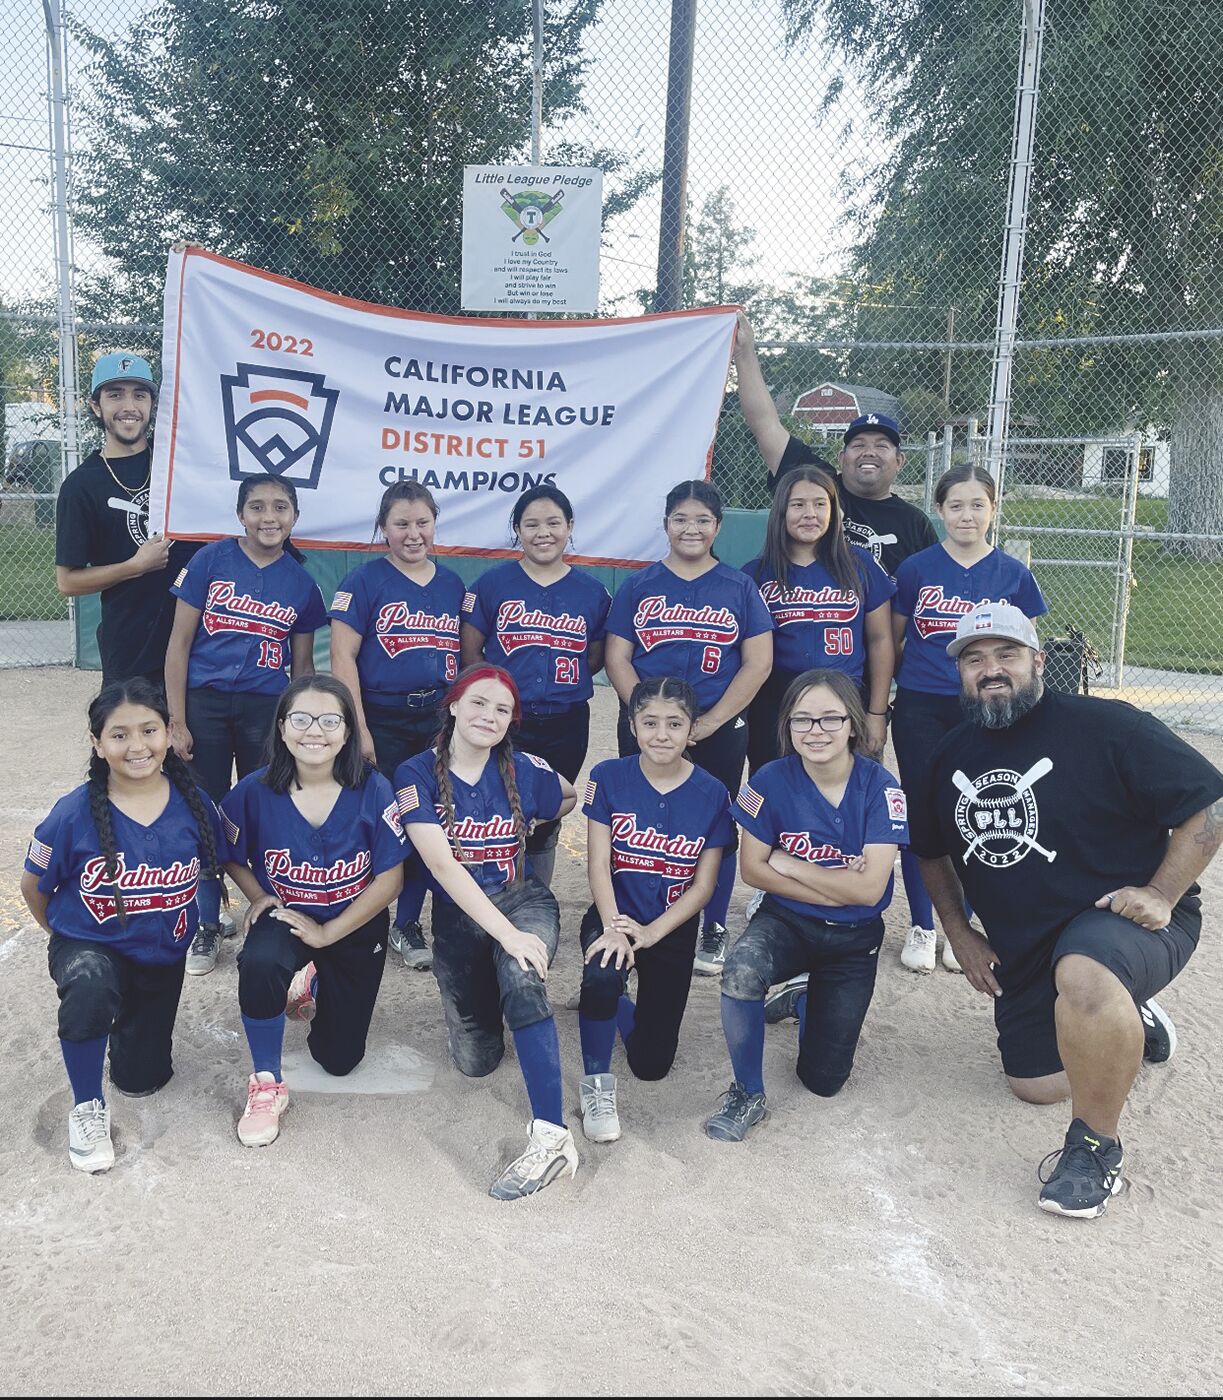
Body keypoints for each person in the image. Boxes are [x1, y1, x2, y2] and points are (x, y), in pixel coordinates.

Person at [910, 603, 1223, 1218]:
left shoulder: (1107, 727)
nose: (990, 669)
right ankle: (1127, 1014)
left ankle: (1094, 1150)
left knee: (1084, 971)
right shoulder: (948, 756)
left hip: (1124, 921)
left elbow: (1209, 805)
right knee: (1035, 1086)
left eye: (1006, 655)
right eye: (974, 659)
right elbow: (929, 853)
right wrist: (959, 934)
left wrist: (1161, 891)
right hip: (1028, 947)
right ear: (960, 675)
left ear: (1039, 662)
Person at [19, 680, 225, 1174]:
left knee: (141, 1079)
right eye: (119, 735)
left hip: (162, 953)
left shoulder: (194, 803)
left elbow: (229, 859)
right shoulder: (73, 813)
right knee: (90, 984)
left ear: (169, 733)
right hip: (92, 944)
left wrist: (261, 898)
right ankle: (86, 1104)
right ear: (97, 744)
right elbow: (34, 887)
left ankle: (118, 1032)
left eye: (149, 730)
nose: (137, 746)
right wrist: (67, 941)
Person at [393, 665, 578, 1200]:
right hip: (458, 915)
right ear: (453, 706)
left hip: (520, 899)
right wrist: (502, 935)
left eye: (501, 709)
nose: (488, 716)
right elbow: (445, 870)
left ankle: (551, 1137)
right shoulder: (415, 773)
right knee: (477, 1063)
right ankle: (506, 996)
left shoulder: (523, 768)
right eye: (478, 703)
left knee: (523, 976)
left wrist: (535, 830)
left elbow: (568, 795)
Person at [705, 669, 907, 1141]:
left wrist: (791, 865)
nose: (815, 731)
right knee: (740, 971)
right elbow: (754, 871)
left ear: (853, 725)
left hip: (854, 941)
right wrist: (837, 884)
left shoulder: (882, 788)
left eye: (829, 719)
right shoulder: (769, 779)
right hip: (788, 922)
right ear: (787, 726)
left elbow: (869, 893)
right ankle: (747, 1092)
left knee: (822, 1082)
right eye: (802, 720)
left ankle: (800, 999)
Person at [220, 675, 405, 1149]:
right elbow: (229, 851)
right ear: (281, 728)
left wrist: (328, 935)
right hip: (289, 918)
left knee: (339, 1059)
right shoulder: (254, 791)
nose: (314, 731)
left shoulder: (374, 788)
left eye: (330, 720)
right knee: (261, 962)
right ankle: (266, 1082)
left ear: (348, 732)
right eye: (300, 719)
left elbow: (390, 880)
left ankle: (313, 978)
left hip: (354, 922)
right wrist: (258, 894)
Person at [604, 479, 773, 976]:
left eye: (702, 520)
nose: (691, 528)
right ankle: (630, 915)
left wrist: (709, 722)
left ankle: (712, 924)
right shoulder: (640, 584)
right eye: (680, 518)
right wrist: (648, 720)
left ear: (718, 526)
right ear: (665, 525)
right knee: (638, 822)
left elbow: (757, 663)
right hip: (647, 725)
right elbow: (617, 656)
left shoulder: (739, 586)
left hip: (717, 725)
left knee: (713, 826)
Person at [164, 473, 327, 976]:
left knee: (263, 810)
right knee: (204, 809)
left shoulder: (301, 581)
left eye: (280, 507)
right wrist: (176, 718)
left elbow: (302, 669)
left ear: (295, 517)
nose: (269, 517)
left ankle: (268, 912)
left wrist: (300, 726)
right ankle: (207, 923)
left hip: (265, 708)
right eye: (257, 507)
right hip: (205, 702)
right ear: (240, 515)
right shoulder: (211, 559)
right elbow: (179, 644)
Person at [891, 465, 1047, 974]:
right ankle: (923, 922)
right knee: (925, 811)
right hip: (921, 703)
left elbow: (1028, 650)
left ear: (993, 509)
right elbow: (892, 639)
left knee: (982, 806)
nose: (966, 514)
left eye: (978, 504)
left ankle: (972, 916)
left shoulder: (1012, 573)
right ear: (939, 511)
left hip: (985, 704)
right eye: (956, 505)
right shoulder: (916, 568)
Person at [577, 677, 733, 1143]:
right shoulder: (607, 776)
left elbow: (704, 886)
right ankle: (596, 1084)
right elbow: (599, 863)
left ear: (692, 730)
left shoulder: (713, 793)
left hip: (672, 927)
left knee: (651, 1066)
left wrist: (652, 933)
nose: (661, 734)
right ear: (632, 725)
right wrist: (614, 929)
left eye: (674, 724)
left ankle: (616, 1006)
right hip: (614, 915)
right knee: (604, 971)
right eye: (649, 723)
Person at [329, 481, 464, 972]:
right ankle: (359, 916)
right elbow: (342, 658)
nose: (413, 533)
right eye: (401, 523)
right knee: (377, 818)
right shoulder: (363, 582)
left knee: (426, 820)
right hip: (381, 715)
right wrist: (358, 728)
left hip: (435, 717)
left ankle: (407, 922)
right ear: (383, 528)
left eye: (422, 522)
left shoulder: (451, 584)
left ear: (434, 523)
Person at [460, 484, 611, 888]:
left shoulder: (592, 592)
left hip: (566, 721)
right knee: (495, 809)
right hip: (509, 720)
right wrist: (494, 701)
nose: (543, 532)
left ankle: (534, 900)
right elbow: (471, 652)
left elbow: (593, 657)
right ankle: (489, 893)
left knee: (546, 810)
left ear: (570, 527)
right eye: (531, 524)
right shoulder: (492, 585)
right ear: (517, 530)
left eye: (553, 523)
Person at [732, 315, 938, 578]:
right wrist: (744, 353)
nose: (869, 452)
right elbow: (765, 425)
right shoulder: (818, 485)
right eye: (858, 444)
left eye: (882, 445)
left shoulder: (915, 524)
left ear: (900, 461)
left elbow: (929, 589)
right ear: (842, 457)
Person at [54, 352, 199, 687]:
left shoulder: (180, 468)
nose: (129, 406)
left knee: (195, 739)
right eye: (115, 394)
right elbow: (68, 581)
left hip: (197, 641)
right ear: (95, 406)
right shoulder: (82, 486)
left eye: (139, 394)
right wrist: (134, 566)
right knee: (132, 739)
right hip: (132, 646)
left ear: (152, 403)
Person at [742, 465, 895, 774]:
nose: (810, 513)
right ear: (781, 512)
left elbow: (881, 640)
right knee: (778, 791)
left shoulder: (859, 564)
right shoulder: (756, 574)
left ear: (834, 510)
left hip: (847, 694)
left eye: (820, 503)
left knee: (851, 792)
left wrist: (877, 713)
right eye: (798, 504)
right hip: (776, 701)